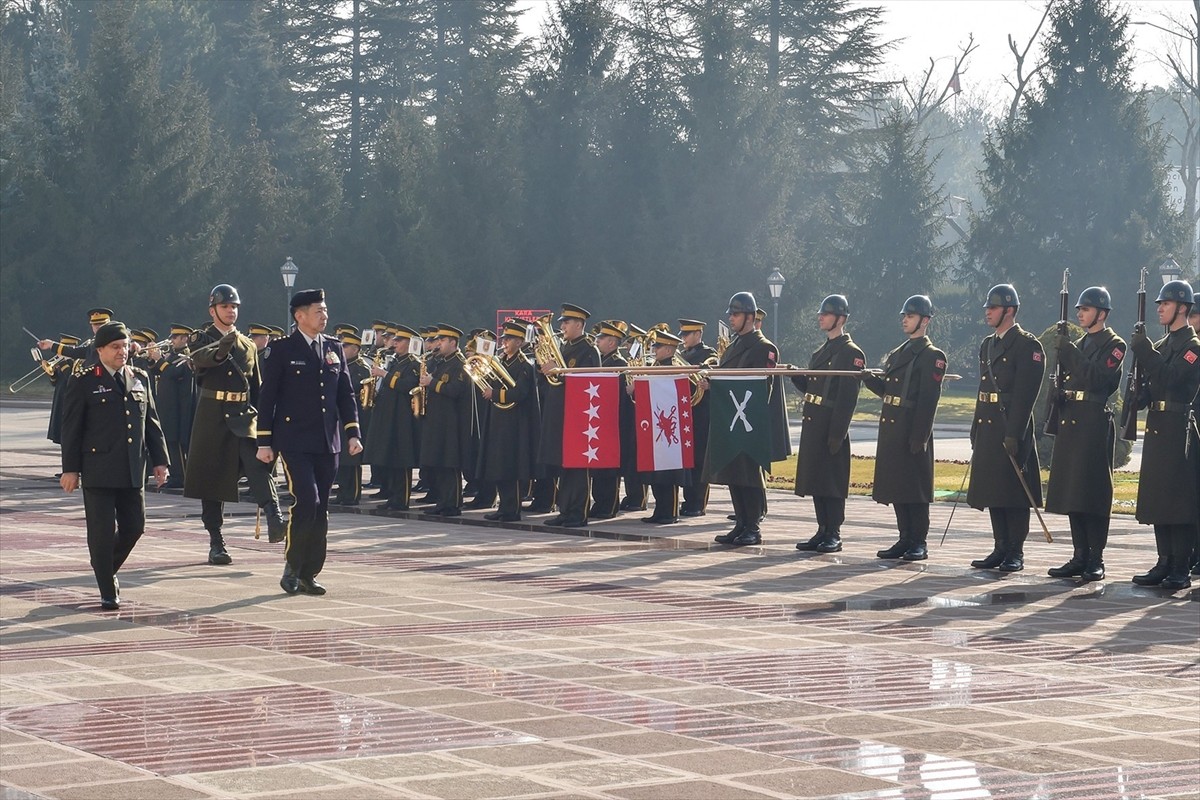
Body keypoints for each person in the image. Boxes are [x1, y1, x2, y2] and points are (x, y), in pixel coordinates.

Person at [256, 289, 362, 596]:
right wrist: (265, 441)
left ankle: (309, 572)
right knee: (307, 501)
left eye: (325, 310)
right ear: (299, 316)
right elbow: (268, 398)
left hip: (328, 441)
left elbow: (345, 393)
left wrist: (353, 432)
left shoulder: (333, 347)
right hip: (294, 440)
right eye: (318, 311)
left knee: (322, 507)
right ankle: (292, 566)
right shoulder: (282, 350)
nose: (324, 315)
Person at [59, 321, 169, 609]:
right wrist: (70, 469)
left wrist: (160, 461)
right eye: (115, 347)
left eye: (124, 346)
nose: (122, 352)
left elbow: (152, 424)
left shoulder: (140, 377)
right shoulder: (84, 380)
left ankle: (104, 569)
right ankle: (108, 588)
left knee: (135, 527)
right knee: (101, 531)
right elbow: (71, 428)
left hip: (133, 467)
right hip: (99, 469)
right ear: (100, 351)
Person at [184, 284, 287, 562]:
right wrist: (222, 348)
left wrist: (268, 424)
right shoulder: (200, 338)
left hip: (243, 414)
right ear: (213, 310)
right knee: (212, 479)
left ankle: (274, 516)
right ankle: (216, 541)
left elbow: (257, 388)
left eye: (234, 307)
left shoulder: (248, 344)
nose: (231, 311)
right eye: (225, 306)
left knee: (258, 462)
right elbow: (202, 360)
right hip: (213, 416)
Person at [1044, 287, 1126, 582]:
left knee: (1093, 490)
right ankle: (1079, 554)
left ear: (1101, 314)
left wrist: (1068, 350)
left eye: (1086, 309)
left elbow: (1097, 378)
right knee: (1073, 490)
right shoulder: (1079, 342)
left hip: (1093, 421)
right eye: (1079, 309)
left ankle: (1095, 557)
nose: (1080, 314)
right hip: (1072, 419)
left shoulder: (1115, 345)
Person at [966, 284, 1045, 573]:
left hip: (1011, 425)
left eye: (994, 307)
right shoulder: (988, 344)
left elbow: (1026, 395)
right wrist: (975, 426)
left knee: (1013, 492)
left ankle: (1015, 550)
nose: (988, 311)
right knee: (993, 490)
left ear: (1009, 311)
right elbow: (982, 389)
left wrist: (1015, 433)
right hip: (988, 425)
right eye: (988, 307)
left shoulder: (1028, 346)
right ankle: (999, 546)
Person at [862, 296, 946, 561]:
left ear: (925, 320)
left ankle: (918, 541)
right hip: (893, 427)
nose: (905, 320)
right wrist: (870, 380)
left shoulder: (932, 356)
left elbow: (928, 399)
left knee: (915, 489)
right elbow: (889, 391)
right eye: (904, 315)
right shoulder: (900, 352)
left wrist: (920, 435)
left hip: (912, 428)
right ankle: (904, 538)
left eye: (910, 316)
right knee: (898, 486)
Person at [1129, 280, 1200, 591]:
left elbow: (1172, 379)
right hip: (1159, 425)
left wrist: (1145, 353)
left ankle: (1180, 565)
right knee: (1160, 494)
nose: (1160, 308)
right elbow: (1152, 388)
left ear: (1182, 308)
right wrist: (1136, 396)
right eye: (1159, 304)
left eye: (1166, 304)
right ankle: (1164, 560)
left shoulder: (1193, 347)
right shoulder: (1162, 347)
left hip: (1179, 426)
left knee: (1178, 498)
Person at [792, 295, 865, 554]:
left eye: (827, 313)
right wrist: (796, 377)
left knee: (832, 481)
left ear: (841, 319)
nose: (821, 317)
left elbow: (847, 397)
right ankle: (822, 529)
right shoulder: (820, 352)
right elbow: (814, 387)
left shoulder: (850, 352)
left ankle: (833, 532)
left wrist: (838, 431)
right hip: (814, 421)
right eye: (821, 313)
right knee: (817, 479)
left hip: (831, 424)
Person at [708, 292, 774, 547]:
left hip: (749, 418)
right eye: (731, 314)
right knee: (734, 473)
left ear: (749, 316)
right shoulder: (734, 345)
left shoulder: (763, 347)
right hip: (731, 419)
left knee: (749, 474)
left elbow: (760, 386)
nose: (731, 319)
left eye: (735, 314)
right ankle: (741, 523)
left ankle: (753, 526)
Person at [536, 304, 601, 527]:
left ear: (579, 325)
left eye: (566, 322)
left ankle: (577, 512)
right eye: (562, 322)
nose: (561, 326)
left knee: (578, 467)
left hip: (579, 416)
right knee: (564, 466)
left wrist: (559, 371)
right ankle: (565, 510)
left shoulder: (588, 350)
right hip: (560, 413)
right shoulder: (563, 348)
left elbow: (589, 382)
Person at [476, 319, 541, 521]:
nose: (505, 342)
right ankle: (503, 507)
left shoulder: (524, 365)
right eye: (504, 338)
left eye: (510, 339)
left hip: (514, 423)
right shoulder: (502, 361)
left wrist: (494, 394)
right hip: (498, 420)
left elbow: (520, 393)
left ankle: (512, 509)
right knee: (499, 466)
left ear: (520, 342)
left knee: (510, 467)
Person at [635, 328, 692, 523]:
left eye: (658, 346)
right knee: (656, 472)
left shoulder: (676, 369)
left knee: (669, 472)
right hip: (654, 426)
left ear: (669, 350)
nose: (654, 349)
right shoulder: (652, 367)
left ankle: (670, 511)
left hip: (669, 429)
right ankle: (660, 510)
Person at [418, 324, 472, 516]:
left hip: (452, 422)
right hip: (438, 420)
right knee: (440, 463)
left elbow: (455, 391)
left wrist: (432, 382)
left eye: (442, 341)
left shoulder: (459, 363)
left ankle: (452, 504)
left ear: (453, 342)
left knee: (449, 465)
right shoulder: (442, 361)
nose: (438, 344)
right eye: (438, 340)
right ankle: (443, 502)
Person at [589, 320, 630, 519]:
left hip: (613, 422)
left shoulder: (619, 364)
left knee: (609, 468)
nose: (597, 341)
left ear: (612, 343)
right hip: (599, 419)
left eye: (601, 338)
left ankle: (609, 504)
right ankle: (599, 502)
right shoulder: (601, 361)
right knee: (598, 466)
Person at [678, 319, 718, 516]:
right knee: (687, 459)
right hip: (685, 413)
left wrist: (706, 380)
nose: (683, 339)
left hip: (702, 413)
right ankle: (688, 500)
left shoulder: (709, 355)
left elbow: (714, 377)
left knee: (700, 459)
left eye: (686, 335)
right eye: (682, 335)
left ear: (697, 334)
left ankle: (698, 502)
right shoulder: (681, 355)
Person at [152, 324, 195, 489]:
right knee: (170, 440)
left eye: (175, 337)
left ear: (185, 338)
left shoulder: (186, 355)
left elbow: (173, 373)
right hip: (168, 406)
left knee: (177, 442)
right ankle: (176, 474)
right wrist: (153, 358)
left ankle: (181, 476)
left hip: (178, 408)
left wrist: (160, 359)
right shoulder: (173, 355)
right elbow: (158, 370)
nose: (172, 340)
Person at [332, 326, 371, 505]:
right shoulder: (341, 365)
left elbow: (357, 389)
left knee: (352, 459)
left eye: (345, 345)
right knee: (342, 458)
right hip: (340, 415)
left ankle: (353, 493)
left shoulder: (361, 367)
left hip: (355, 415)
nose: (342, 348)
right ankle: (343, 492)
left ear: (355, 349)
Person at [46, 333, 82, 445]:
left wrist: (65, 366)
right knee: (59, 427)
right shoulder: (60, 362)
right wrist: (52, 375)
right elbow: (55, 383)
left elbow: (73, 381)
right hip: (59, 397)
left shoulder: (77, 363)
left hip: (70, 399)